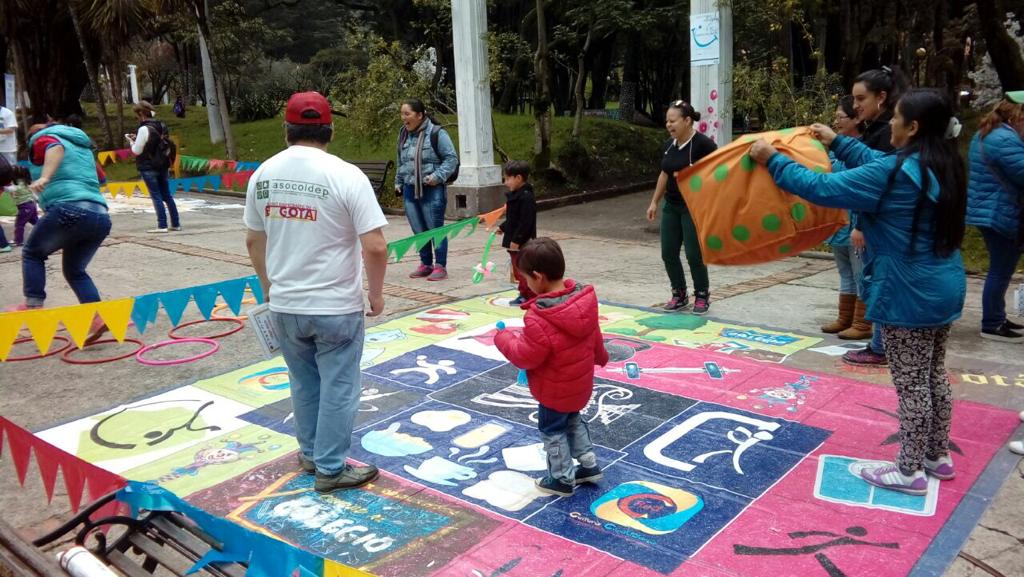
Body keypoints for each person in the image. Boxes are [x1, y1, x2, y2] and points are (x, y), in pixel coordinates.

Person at [749, 88, 967, 495]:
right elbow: (880, 162)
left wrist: (772, 160)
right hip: (945, 287)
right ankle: (937, 456)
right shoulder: (943, 164)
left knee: (911, 384)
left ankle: (908, 471)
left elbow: (822, 188)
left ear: (913, 127)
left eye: (897, 118)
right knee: (933, 374)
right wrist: (838, 141)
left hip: (908, 293)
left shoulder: (896, 173)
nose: (892, 124)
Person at [244, 91, 389, 494]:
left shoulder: (263, 175)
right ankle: (330, 467)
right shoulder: (345, 175)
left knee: (304, 383)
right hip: (335, 306)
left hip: (287, 304)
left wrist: (271, 289)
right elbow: (375, 245)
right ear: (330, 129)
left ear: (286, 129)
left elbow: (254, 242)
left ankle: (310, 453)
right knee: (339, 385)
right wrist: (376, 293)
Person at [493, 237, 609, 496]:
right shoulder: (583, 301)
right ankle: (589, 465)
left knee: (552, 430)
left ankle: (561, 478)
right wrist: (600, 356)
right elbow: (594, 335)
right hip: (580, 385)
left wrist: (503, 338)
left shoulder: (540, 316)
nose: (526, 285)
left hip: (554, 391)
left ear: (538, 277)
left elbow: (526, 357)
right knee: (574, 421)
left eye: (525, 279)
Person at [844, 66, 909, 366]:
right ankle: (879, 342)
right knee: (871, 279)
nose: (855, 106)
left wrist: (779, 164)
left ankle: (881, 346)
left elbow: (866, 182)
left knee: (878, 282)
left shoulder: (888, 139)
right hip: (876, 226)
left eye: (861, 98)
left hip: (882, 230)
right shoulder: (876, 132)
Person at [22, 123, 112, 318]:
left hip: (69, 209)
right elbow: (102, 179)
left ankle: (33, 308)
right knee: (75, 271)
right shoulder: (82, 149)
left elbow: (55, 147)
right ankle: (96, 317)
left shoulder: (43, 138)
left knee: (32, 253)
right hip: (100, 216)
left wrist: (45, 177)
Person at [646, 100, 717, 314]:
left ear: (687, 121)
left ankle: (702, 294)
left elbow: (717, 174)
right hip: (672, 205)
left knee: (694, 254)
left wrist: (690, 176)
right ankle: (679, 293)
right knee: (668, 252)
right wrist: (654, 202)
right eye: (667, 121)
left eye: (673, 121)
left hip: (693, 207)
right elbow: (664, 173)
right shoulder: (669, 145)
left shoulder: (704, 145)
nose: (669, 125)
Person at [966, 91, 1024, 342]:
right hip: (999, 212)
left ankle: (997, 316)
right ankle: (992, 323)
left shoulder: (989, 134)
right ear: (1018, 115)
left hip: (989, 210)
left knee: (1001, 269)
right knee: (1000, 270)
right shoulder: (1004, 140)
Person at [821, 96, 871, 339]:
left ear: (856, 119)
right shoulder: (835, 151)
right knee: (845, 272)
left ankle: (863, 323)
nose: (837, 121)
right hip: (838, 222)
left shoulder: (864, 152)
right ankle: (845, 318)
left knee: (861, 271)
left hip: (857, 223)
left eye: (842, 117)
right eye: (837, 117)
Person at [394, 98, 459, 281]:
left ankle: (440, 265)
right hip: (409, 188)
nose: (403, 118)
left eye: (407, 114)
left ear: (420, 115)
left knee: (435, 229)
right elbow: (401, 160)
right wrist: (398, 182)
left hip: (431, 190)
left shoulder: (437, 133)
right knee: (419, 230)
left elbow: (451, 159)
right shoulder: (403, 134)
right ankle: (425, 264)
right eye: (402, 114)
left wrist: (436, 177)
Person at [129, 101, 180, 233]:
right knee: (167, 195)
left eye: (136, 115)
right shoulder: (161, 125)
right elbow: (158, 142)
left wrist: (131, 142)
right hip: (163, 164)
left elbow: (137, 151)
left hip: (148, 166)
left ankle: (162, 225)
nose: (136, 118)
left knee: (156, 196)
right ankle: (176, 223)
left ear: (141, 114)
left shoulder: (143, 129)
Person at [497, 160, 537, 305]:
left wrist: (517, 240)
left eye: (508, 179)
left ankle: (528, 294)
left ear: (518, 178)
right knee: (518, 270)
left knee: (523, 270)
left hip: (522, 242)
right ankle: (524, 293)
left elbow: (526, 222)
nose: (506, 182)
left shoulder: (526, 197)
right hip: (515, 240)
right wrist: (502, 227)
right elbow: (513, 218)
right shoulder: (516, 196)